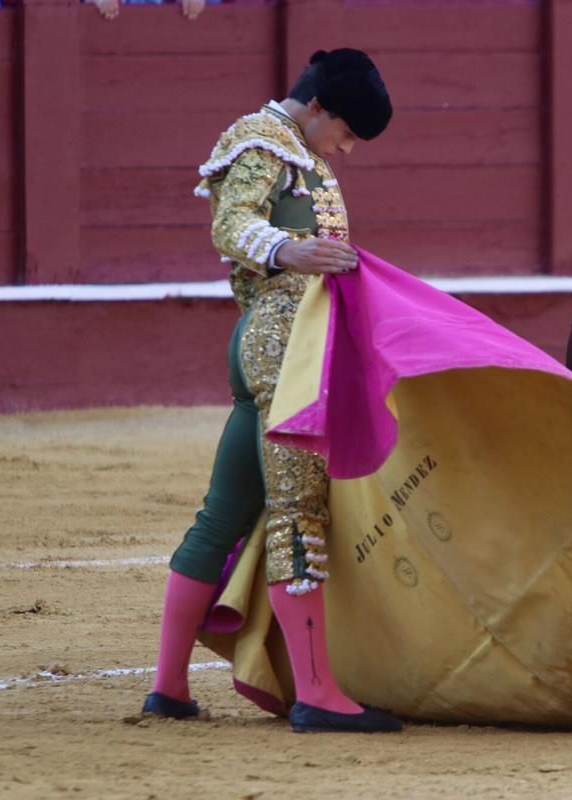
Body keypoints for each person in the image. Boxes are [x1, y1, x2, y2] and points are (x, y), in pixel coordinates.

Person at [142, 48, 402, 734]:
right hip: (284, 347)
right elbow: (231, 226)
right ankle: (316, 692)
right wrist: (293, 253)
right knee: (299, 506)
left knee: (224, 515)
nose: (345, 149)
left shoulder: (295, 149)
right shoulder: (261, 139)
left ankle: (168, 687)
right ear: (317, 107)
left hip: (273, 341)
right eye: (344, 133)